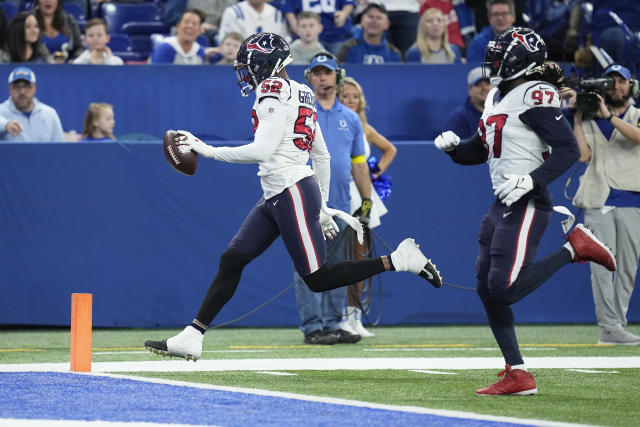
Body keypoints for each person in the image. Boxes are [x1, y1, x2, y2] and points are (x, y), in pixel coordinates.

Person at [144, 32, 442, 361]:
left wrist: (207, 150)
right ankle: (192, 335)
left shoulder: (271, 91)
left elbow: (263, 150)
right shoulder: (301, 91)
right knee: (233, 259)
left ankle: (399, 260)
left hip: (291, 190)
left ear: (266, 65)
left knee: (317, 278)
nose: (246, 73)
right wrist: (325, 204)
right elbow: (322, 155)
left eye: (250, 66)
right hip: (281, 191)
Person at [434, 27, 617, 395]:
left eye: (501, 54)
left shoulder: (537, 93)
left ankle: (574, 248)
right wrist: (456, 149)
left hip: (529, 202)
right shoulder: (497, 97)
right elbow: (482, 151)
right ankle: (517, 372)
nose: (494, 61)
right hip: (503, 202)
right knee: (487, 287)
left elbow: (569, 150)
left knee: (502, 290)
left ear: (520, 59)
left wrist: (532, 181)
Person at [290, 53, 371, 345]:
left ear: (338, 76)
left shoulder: (350, 118)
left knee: (339, 265)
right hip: (304, 202)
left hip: (338, 205)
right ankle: (313, 327)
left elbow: (358, 162)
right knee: (307, 265)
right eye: (318, 72)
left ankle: (334, 323)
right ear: (309, 77)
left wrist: (366, 200)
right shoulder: (298, 111)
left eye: (328, 72)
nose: (323, 77)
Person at [572, 64, 640, 346]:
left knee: (627, 267)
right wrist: (576, 117)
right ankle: (608, 327)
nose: (616, 86)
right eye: (610, 81)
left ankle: (616, 325)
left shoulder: (636, 115)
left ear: (630, 85)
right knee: (601, 267)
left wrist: (609, 116)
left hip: (631, 198)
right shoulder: (588, 119)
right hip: (598, 198)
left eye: (621, 81)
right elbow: (583, 156)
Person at [338, 75, 397, 337]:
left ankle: (354, 316)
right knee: (336, 255)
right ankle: (336, 316)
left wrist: (374, 174)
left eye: (355, 96)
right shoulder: (332, 123)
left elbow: (390, 150)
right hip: (338, 193)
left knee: (359, 255)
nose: (350, 100)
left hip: (360, 193)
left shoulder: (364, 127)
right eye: (345, 96)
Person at [0, 66, 64, 142]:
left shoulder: (50, 114)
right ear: (9, 89)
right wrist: (6, 125)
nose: (22, 92)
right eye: (17, 87)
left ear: (34, 88)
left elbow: (60, 148)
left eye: (27, 87)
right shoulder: (2, 110)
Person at [337, 3, 402, 64]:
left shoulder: (394, 53)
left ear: (387, 24)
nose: (374, 21)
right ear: (362, 20)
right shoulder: (348, 48)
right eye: (370, 16)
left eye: (379, 18)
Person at [444, 66, 492, 139]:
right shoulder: (459, 118)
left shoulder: (504, 113)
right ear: (470, 89)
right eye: (479, 85)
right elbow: (457, 149)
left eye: (487, 83)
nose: (484, 88)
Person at [217, 0, 290, 44]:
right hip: (241, 62)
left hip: (271, 63)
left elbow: (283, 41)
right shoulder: (233, 12)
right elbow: (225, 42)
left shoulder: (276, 14)